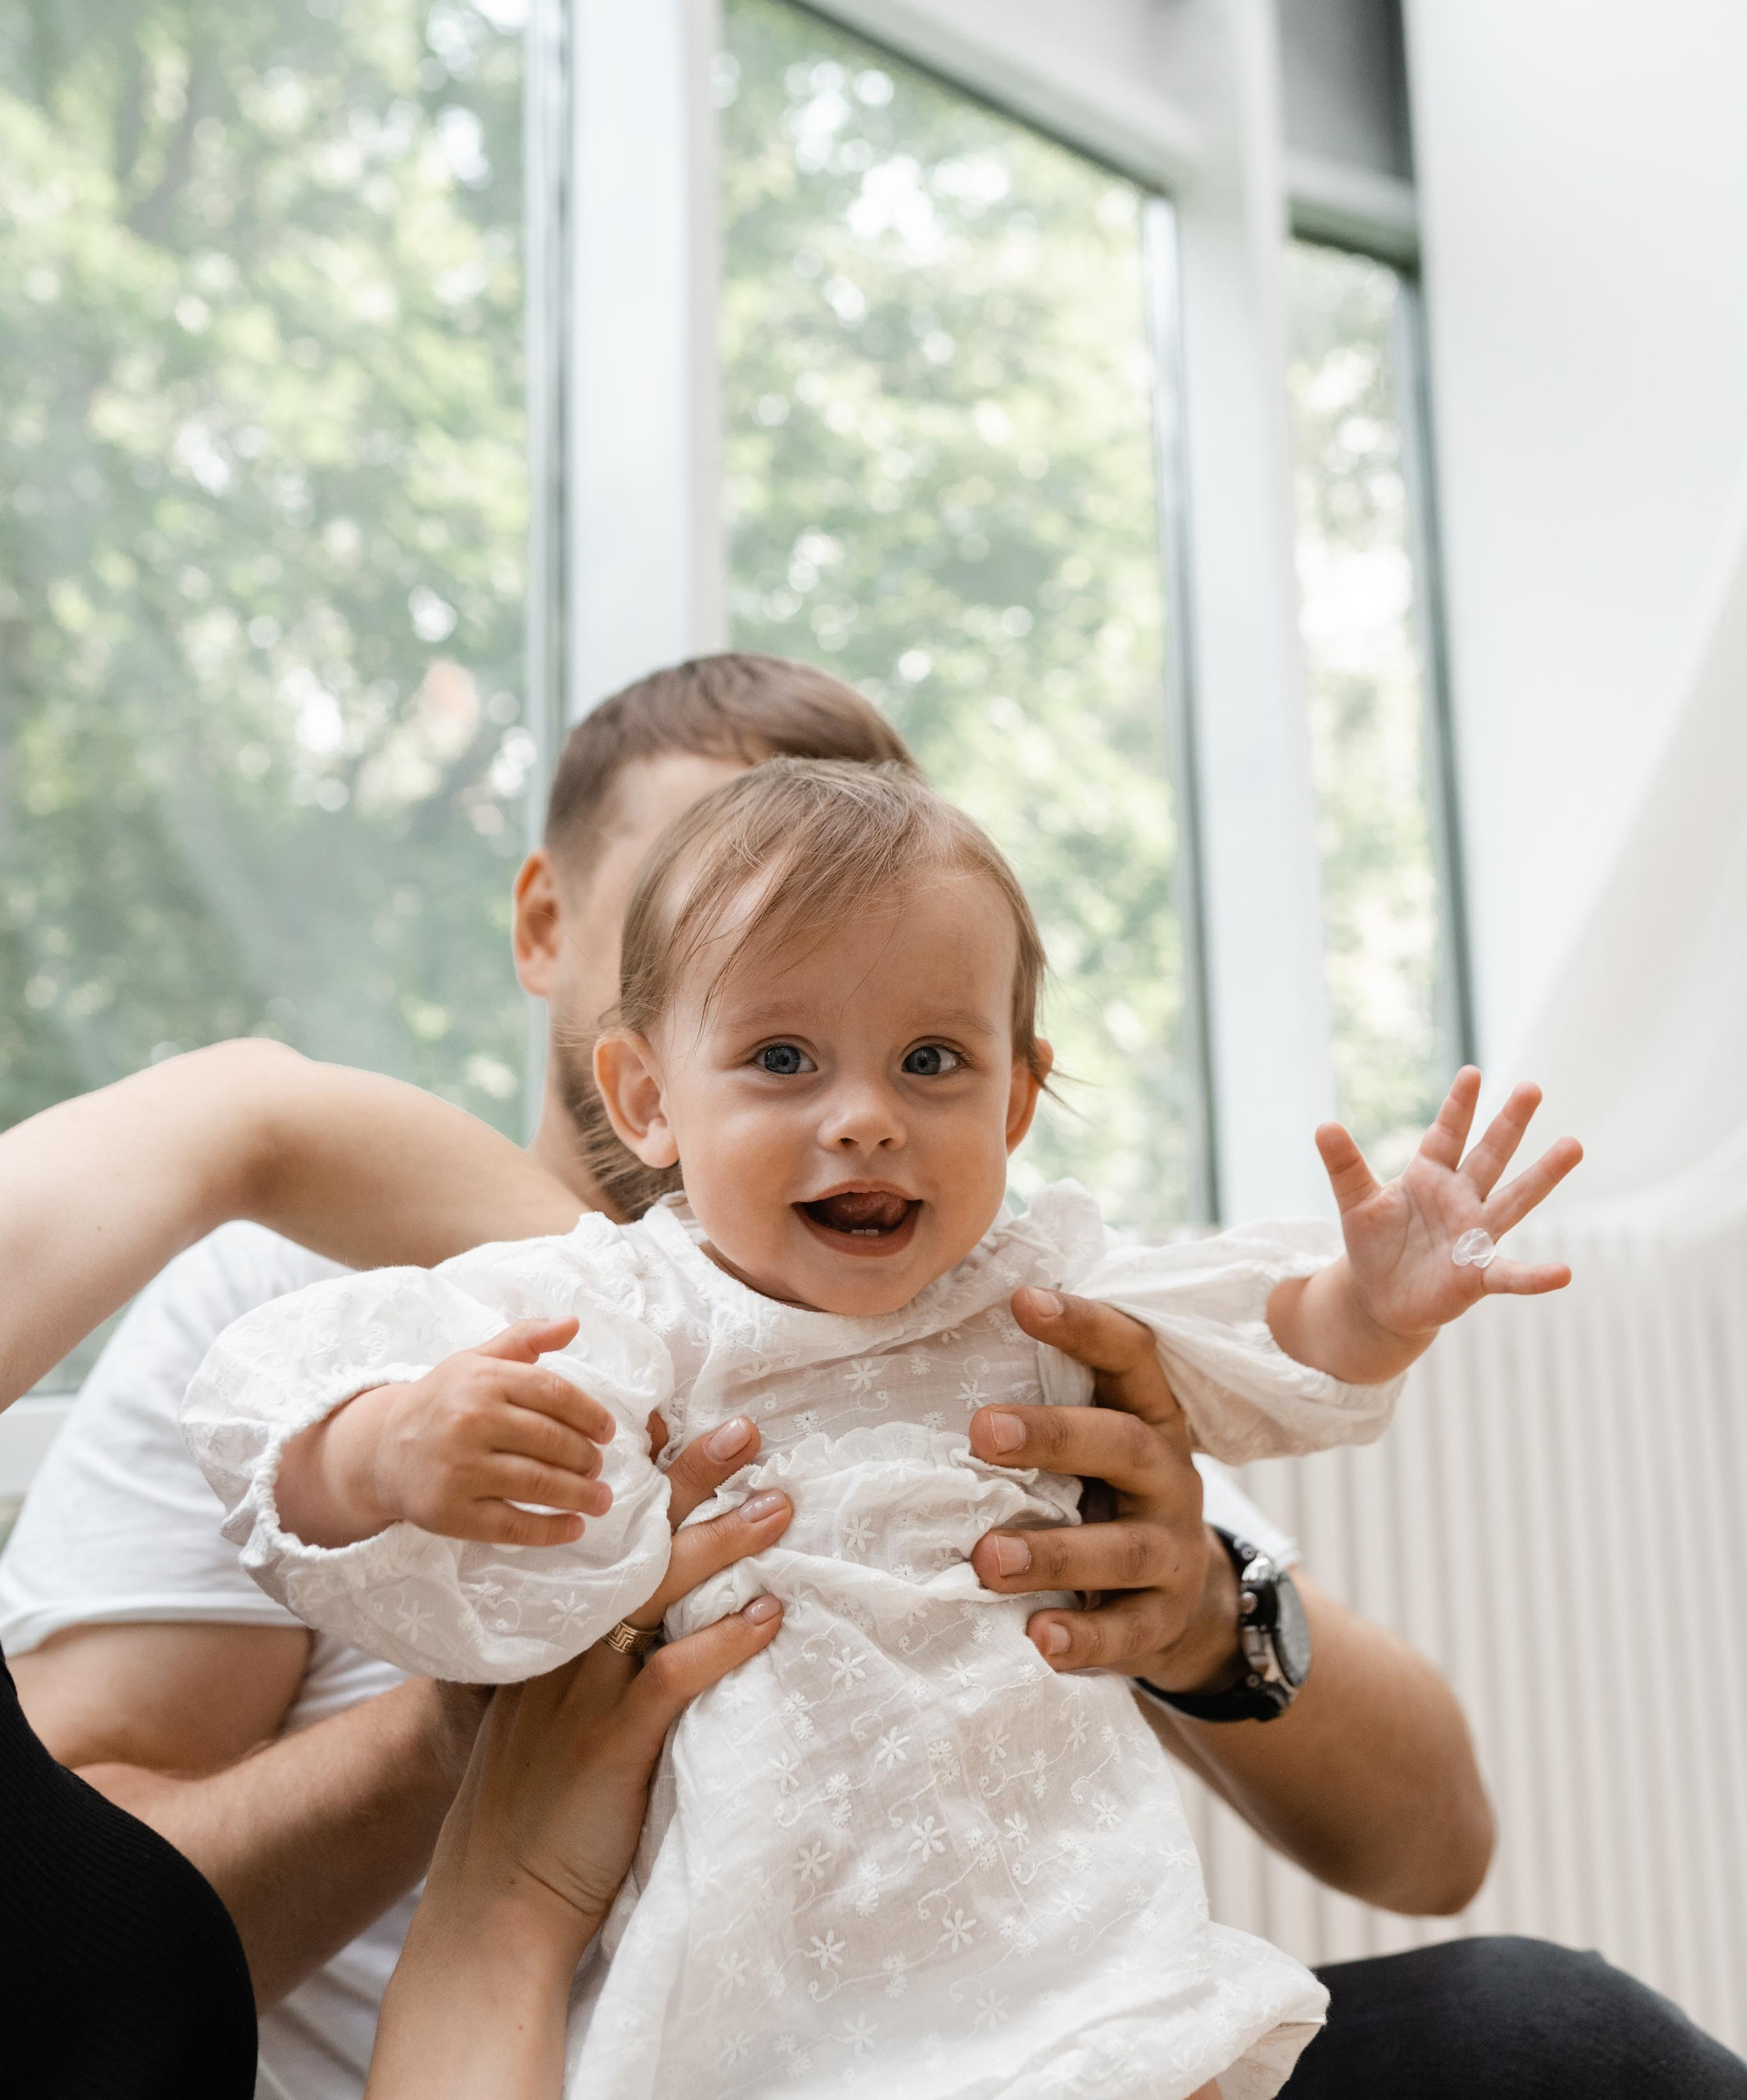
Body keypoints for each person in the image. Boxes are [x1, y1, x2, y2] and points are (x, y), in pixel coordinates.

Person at [4, 652, 1741, 2095]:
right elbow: (97, 1975)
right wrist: (462, 1715)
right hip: (579, 2050)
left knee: (1553, 2038)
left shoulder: (967, 1307)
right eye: (766, 1009)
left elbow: (1432, 1843)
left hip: (1025, 2031)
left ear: (1003, 1077)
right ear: (587, 981)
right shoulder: (331, 1288)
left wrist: (1206, 1608)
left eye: (920, 1036)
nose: (855, 1104)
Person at [0, 1037, 786, 2099]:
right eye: (780, 1051)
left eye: (930, 1056)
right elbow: (251, 1116)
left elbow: (252, 1112)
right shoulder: (299, 1298)